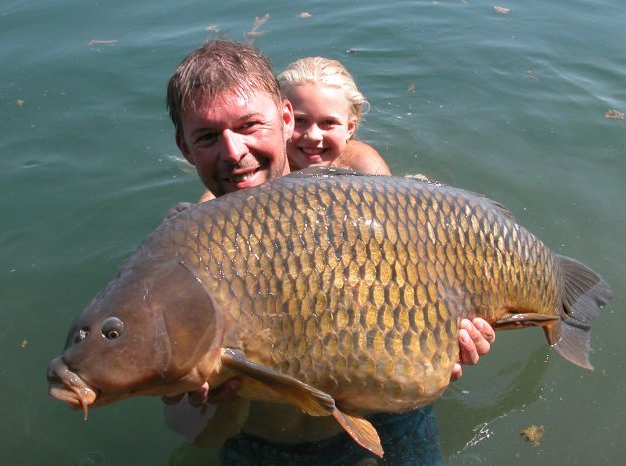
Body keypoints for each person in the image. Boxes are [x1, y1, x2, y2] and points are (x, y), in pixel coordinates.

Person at [165, 40, 496, 465]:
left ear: (283, 120)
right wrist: (214, 402)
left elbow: (422, 280)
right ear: (185, 147)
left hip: (388, 416)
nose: (234, 152)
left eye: (249, 126)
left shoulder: (358, 190)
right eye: (208, 136)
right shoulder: (191, 243)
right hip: (263, 443)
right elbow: (194, 431)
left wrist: (453, 335)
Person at [277, 56, 390, 175]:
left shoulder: (364, 167)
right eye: (299, 120)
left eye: (329, 122)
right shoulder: (264, 164)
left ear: (350, 128)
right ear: (278, 119)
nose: (313, 136)